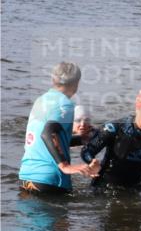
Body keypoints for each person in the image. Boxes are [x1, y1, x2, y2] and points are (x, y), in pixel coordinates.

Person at [19, 62, 99, 194]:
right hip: (51, 180)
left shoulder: (41, 100)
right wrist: (65, 166)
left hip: (26, 177)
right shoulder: (65, 104)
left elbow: (45, 138)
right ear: (76, 83)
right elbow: (48, 133)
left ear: (53, 80)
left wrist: (81, 140)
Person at [81, 87, 141, 188]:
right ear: (138, 109)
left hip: (135, 187)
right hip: (104, 186)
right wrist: (91, 161)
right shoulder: (115, 128)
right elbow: (87, 151)